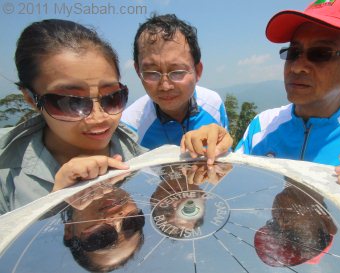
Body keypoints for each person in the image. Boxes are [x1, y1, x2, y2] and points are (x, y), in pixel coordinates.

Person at [0, 19, 231, 215]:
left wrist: (215, 149)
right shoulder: (7, 174)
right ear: (31, 98)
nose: (98, 118)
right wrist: (57, 206)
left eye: (111, 97)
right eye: (71, 102)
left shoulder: (140, 159)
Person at [234, 0, 340, 214]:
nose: (297, 67)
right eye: (294, 52)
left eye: (321, 53)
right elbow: (234, 192)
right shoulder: (261, 126)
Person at [121, 14, 229, 150]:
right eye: (151, 73)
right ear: (138, 72)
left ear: (198, 71)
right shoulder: (130, 128)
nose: (165, 86)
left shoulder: (213, 104)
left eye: (177, 72)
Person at [62, 175, 145, 272]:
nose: (117, 219)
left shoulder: (41, 200)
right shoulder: (137, 164)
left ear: (69, 229)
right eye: (132, 223)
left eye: (100, 237)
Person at [254, 179, 337, 267]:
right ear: (325, 221)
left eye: (274, 224)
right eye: (293, 235)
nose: (280, 218)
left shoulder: (284, 169)